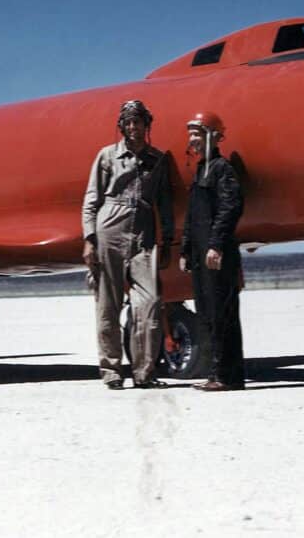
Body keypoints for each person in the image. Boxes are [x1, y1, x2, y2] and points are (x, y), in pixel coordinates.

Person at [82, 99, 174, 389]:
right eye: (128, 122)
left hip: (144, 234)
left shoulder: (158, 160)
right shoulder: (107, 156)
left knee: (149, 303)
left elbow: (165, 202)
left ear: (147, 125)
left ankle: (144, 372)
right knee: (108, 303)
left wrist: (168, 238)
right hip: (110, 227)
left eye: (139, 122)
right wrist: (89, 240)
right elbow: (92, 199)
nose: (133, 127)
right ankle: (110, 370)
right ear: (121, 126)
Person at [180, 111, 245, 391]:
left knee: (222, 313)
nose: (193, 140)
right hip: (200, 254)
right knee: (207, 313)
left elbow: (230, 208)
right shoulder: (201, 170)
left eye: (198, 134)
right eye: (191, 134)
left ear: (213, 136)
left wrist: (216, 244)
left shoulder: (222, 169)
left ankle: (227, 377)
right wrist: (185, 250)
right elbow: (192, 215)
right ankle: (215, 373)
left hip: (216, 254)